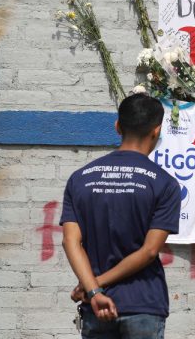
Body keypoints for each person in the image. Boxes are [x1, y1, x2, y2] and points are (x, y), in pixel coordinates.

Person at [60, 93, 181, 338]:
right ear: (156, 131)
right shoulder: (164, 184)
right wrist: (96, 285)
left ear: (117, 127)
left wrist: (93, 290)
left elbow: (70, 241)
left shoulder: (80, 179)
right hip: (143, 304)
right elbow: (149, 252)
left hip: (96, 306)